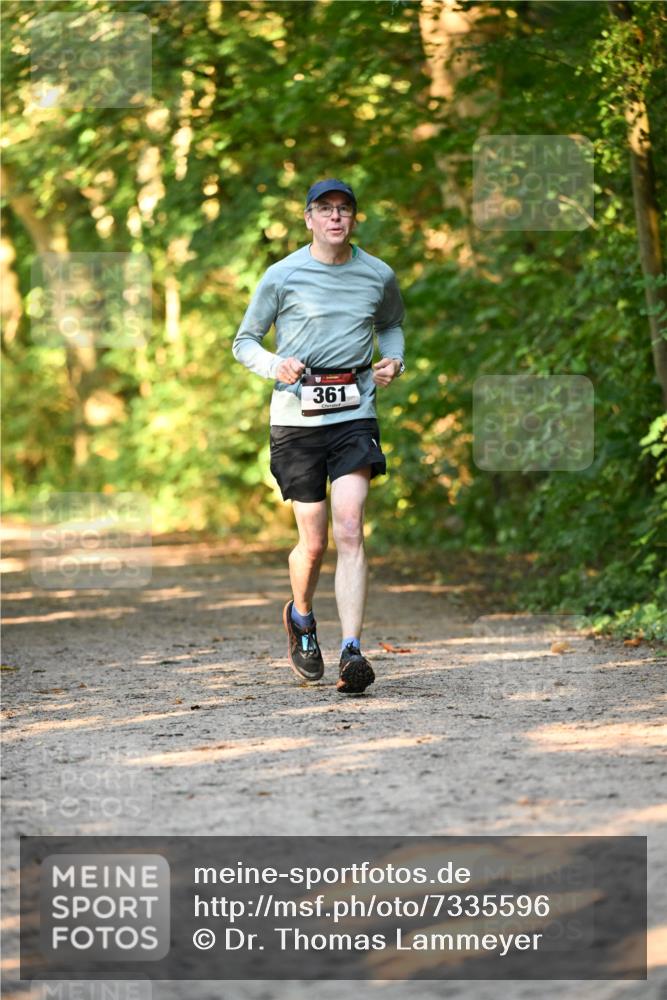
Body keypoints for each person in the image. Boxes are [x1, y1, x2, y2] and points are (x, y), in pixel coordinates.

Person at [232, 178, 405, 694]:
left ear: (355, 219)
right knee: (314, 543)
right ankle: (302, 620)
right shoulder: (282, 275)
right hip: (296, 418)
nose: (335, 217)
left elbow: (392, 324)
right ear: (308, 218)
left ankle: (353, 649)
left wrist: (394, 359)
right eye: (324, 209)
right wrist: (274, 364)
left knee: (351, 527)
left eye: (344, 209)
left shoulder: (377, 274)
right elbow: (244, 341)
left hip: (355, 410)